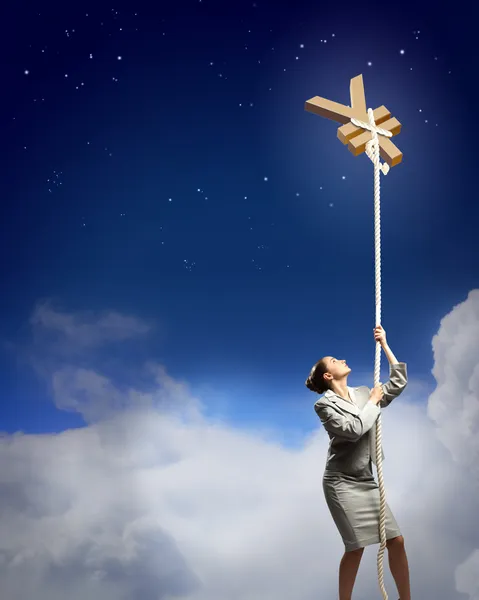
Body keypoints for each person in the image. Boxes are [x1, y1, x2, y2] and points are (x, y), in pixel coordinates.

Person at [306, 325, 411, 600]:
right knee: (356, 547)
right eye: (333, 361)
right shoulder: (324, 405)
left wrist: (386, 345)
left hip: (366, 480)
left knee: (396, 541)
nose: (340, 359)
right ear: (328, 375)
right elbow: (353, 429)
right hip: (340, 483)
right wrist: (375, 403)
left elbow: (398, 384)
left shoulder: (365, 393)